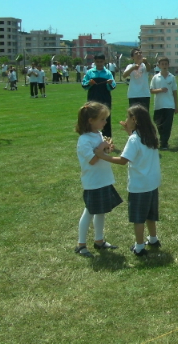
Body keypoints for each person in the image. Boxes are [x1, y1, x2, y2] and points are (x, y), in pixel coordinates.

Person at [94, 104, 162, 257]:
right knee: (151, 214)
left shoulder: (134, 139)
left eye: (127, 118)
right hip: (152, 183)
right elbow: (139, 147)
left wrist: (102, 156)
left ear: (134, 119)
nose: (125, 120)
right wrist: (129, 131)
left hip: (139, 185)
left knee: (138, 218)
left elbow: (123, 160)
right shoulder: (150, 134)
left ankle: (139, 247)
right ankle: (153, 239)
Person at [74, 102, 122, 257]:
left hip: (104, 179)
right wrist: (101, 148)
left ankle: (99, 240)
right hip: (93, 181)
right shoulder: (84, 140)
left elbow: (101, 153)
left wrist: (107, 148)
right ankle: (81, 245)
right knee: (89, 212)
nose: (105, 122)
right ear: (90, 121)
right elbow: (93, 160)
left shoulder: (97, 134)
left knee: (101, 211)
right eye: (102, 119)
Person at [82, 54, 117, 138]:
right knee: (91, 118)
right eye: (97, 62)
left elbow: (113, 86)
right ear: (94, 62)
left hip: (105, 99)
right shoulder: (90, 72)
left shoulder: (108, 73)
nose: (99, 63)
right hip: (93, 98)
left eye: (101, 62)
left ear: (104, 62)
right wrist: (89, 83)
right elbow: (84, 85)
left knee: (106, 118)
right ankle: (91, 137)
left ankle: (107, 139)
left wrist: (109, 83)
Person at [150, 56, 178, 150]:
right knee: (158, 123)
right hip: (158, 105)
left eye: (166, 64)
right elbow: (151, 90)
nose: (164, 66)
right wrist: (160, 90)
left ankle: (164, 143)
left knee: (167, 125)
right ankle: (162, 139)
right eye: (162, 64)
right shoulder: (155, 77)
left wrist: (176, 105)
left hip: (169, 105)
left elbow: (175, 92)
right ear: (158, 65)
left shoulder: (172, 77)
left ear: (168, 65)